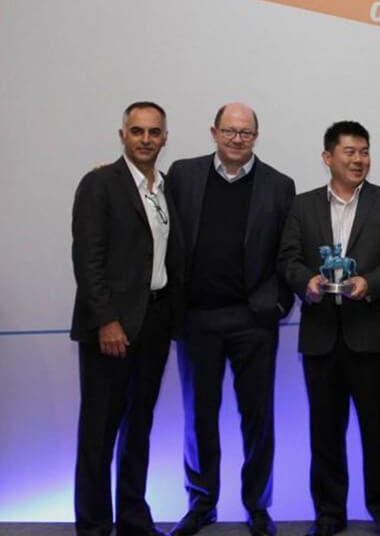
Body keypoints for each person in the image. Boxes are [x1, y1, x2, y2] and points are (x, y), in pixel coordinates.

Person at [279, 121, 380, 536]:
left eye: (364, 151)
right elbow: (287, 259)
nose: (359, 160)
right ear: (328, 157)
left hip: (373, 334)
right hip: (321, 337)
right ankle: (328, 514)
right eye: (350, 152)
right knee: (325, 432)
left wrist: (369, 282)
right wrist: (306, 282)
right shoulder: (302, 206)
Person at [166, 103, 295, 536]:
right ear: (214, 132)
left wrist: (278, 305)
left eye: (245, 132)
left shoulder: (279, 185)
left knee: (258, 418)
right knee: (198, 417)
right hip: (197, 318)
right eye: (229, 131)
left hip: (253, 320)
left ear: (256, 136)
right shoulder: (182, 175)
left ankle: (257, 507)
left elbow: (289, 253)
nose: (237, 139)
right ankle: (201, 505)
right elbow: (154, 216)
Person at [71, 101, 184, 536]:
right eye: (137, 131)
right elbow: (88, 259)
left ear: (165, 138)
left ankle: (134, 521)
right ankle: (94, 527)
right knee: (98, 433)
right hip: (112, 327)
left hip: (155, 322)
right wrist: (107, 320)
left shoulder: (167, 188)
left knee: (139, 428)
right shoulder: (100, 184)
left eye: (154, 132)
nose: (146, 140)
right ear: (123, 136)